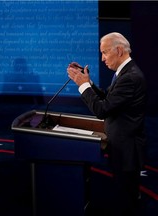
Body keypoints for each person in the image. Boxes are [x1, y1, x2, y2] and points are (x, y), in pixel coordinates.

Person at [67, 32, 147, 216]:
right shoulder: (126, 73)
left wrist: (83, 86)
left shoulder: (130, 77)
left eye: (105, 52)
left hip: (127, 150)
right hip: (122, 146)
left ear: (118, 50)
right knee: (125, 194)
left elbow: (102, 110)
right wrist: (88, 82)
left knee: (127, 200)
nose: (102, 58)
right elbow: (108, 99)